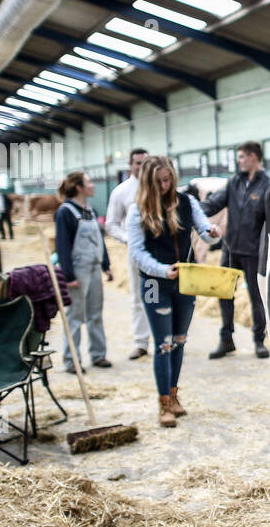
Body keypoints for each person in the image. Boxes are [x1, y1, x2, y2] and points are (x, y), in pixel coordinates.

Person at [127, 156, 222, 427]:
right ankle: (163, 404)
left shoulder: (187, 202)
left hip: (186, 281)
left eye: (168, 180)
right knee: (163, 344)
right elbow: (136, 251)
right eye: (159, 181)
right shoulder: (138, 210)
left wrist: (213, 232)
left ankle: (174, 394)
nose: (165, 185)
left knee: (180, 340)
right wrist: (161, 269)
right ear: (148, 182)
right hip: (155, 283)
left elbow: (204, 230)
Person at [204, 140, 270, 360]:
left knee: (256, 297)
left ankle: (259, 340)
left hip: (254, 251)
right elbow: (214, 203)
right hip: (231, 249)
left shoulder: (268, 185)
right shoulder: (234, 182)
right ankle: (227, 339)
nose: (239, 161)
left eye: (242, 156)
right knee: (224, 294)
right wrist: (190, 208)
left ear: (253, 157)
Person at [55, 170, 113, 374]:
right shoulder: (66, 212)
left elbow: (100, 240)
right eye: (89, 182)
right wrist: (68, 276)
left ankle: (98, 354)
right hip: (78, 270)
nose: (93, 185)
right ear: (78, 187)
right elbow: (62, 246)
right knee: (76, 316)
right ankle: (72, 360)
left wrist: (106, 264)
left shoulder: (91, 210)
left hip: (95, 266)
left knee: (95, 313)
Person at [105, 148, 152, 361]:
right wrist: (128, 239)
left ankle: (167, 338)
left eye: (145, 162)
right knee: (138, 297)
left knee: (165, 294)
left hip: (161, 251)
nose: (141, 167)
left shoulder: (158, 186)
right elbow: (111, 224)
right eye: (137, 163)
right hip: (136, 252)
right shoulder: (121, 191)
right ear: (130, 165)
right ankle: (141, 342)